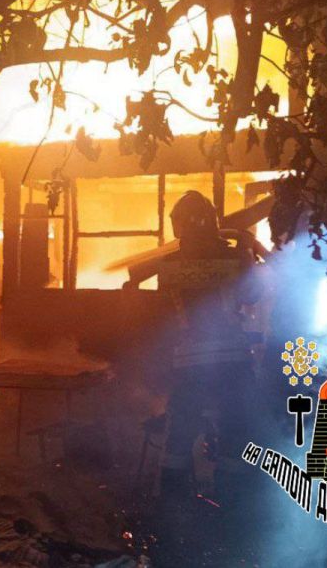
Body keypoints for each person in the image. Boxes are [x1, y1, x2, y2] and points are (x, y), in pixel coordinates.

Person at [126, 191, 261, 501]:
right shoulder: (233, 259)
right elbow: (252, 295)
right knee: (235, 427)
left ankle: (173, 499)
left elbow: (161, 310)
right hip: (232, 361)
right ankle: (232, 500)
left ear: (177, 226)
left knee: (181, 429)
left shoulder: (169, 265)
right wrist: (245, 249)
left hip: (188, 361)